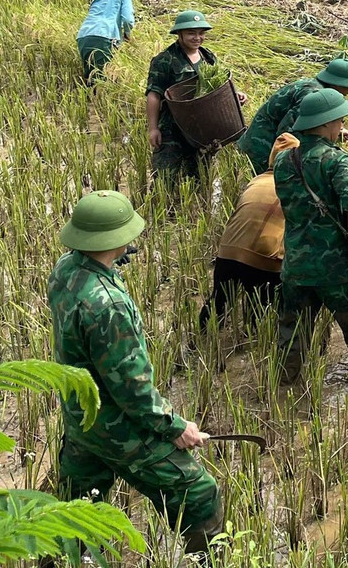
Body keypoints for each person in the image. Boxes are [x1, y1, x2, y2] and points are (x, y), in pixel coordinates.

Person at [48, 190, 222, 558]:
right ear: (116, 238)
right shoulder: (107, 306)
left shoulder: (65, 271)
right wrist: (175, 427)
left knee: (76, 509)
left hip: (82, 420)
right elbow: (132, 388)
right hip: (118, 427)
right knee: (199, 493)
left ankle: (56, 561)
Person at [274, 89, 348, 384]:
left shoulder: (285, 161)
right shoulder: (336, 159)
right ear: (325, 124)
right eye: (339, 121)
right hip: (333, 266)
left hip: (296, 264)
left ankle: (284, 390)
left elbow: (309, 185)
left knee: (292, 333)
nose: (341, 126)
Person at [198, 133, 298, 333]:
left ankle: (201, 339)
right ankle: (254, 337)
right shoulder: (295, 185)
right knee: (262, 312)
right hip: (263, 259)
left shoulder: (256, 180)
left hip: (227, 252)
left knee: (219, 299)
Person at [145, 10, 245, 184]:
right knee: (164, 178)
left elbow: (219, 87)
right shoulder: (165, 60)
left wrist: (235, 96)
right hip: (173, 129)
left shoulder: (208, 57)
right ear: (179, 34)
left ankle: (194, 208)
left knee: (199, 178)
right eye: (191, 33)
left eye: (201, 33)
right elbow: (154, 95)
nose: (197, 37)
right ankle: (162, 208)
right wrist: (153, 128)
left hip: (203, 131)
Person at [237, 56, 348, 175]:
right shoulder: (312, 95)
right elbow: (286, 133)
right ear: (338, 83)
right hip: (261, 149)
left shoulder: (316, 88)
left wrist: (336, 131)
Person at [75, 0, 135, 87]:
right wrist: (127, 34)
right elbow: (128, 19)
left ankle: (90, 103)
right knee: (103, 80)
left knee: (91, 77)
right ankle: (98, 103)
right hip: (103, 36)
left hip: (83, 37)